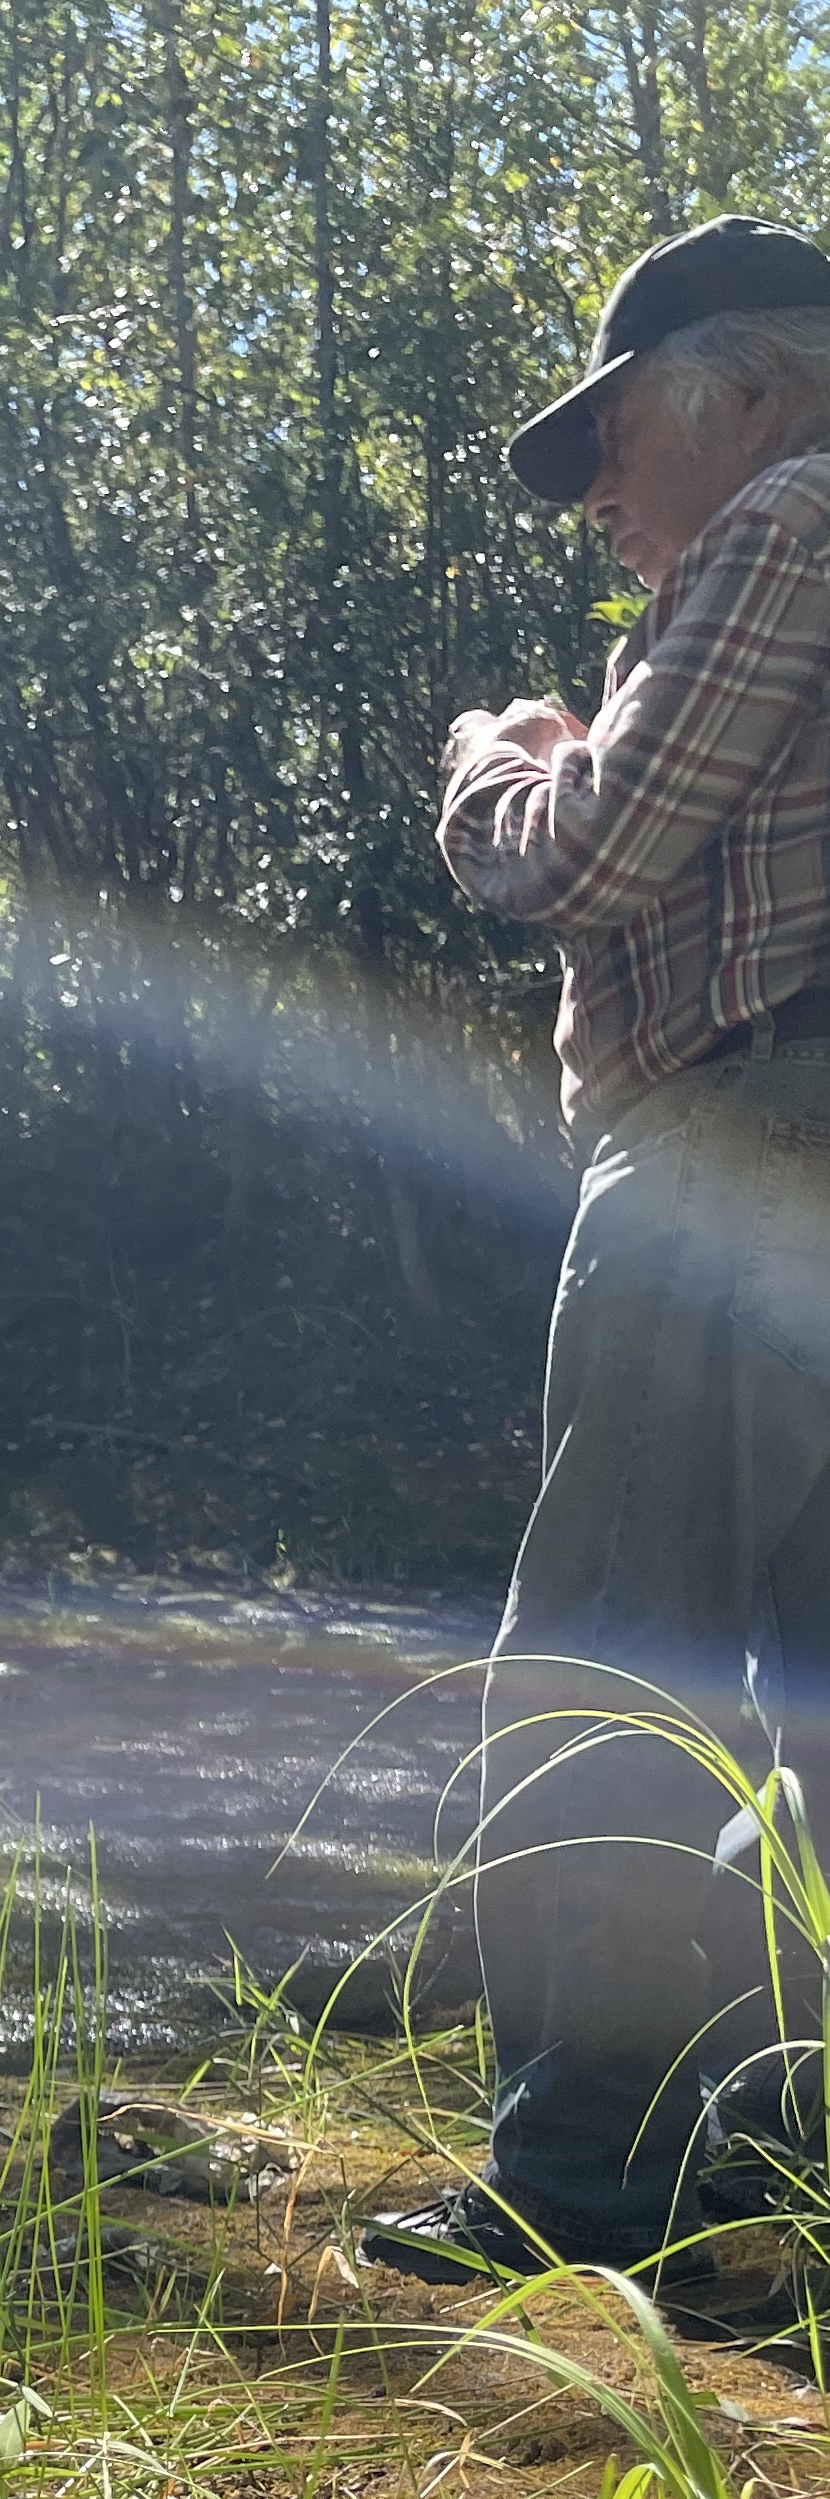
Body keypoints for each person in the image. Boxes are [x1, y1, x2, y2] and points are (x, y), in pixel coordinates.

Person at [372, 215, 830, 2285]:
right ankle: (779, 2151)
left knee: (611, 1655)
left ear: (738, 391)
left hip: (752, 1143)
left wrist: (504, 758)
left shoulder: (795, 520)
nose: (604, 509)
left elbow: (596, 855)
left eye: (612, 447)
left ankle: (585, 2181)